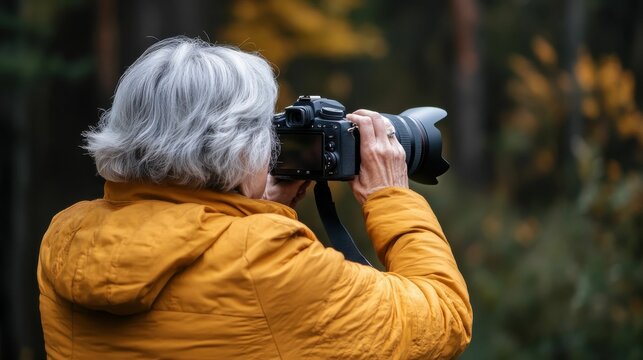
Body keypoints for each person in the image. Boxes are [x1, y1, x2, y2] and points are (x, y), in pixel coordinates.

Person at [37, 36, 472, 359]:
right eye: (265, 132)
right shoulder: (266, 261)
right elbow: (444, 317)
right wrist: (390, 196)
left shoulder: (66, 237)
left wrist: (256, 206)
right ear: (239, 146)